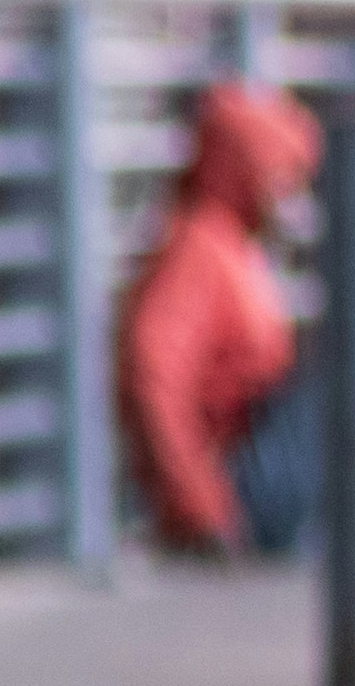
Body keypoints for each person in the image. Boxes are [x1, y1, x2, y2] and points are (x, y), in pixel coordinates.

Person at [117, 78, 324, 557]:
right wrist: (202, 507)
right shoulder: (200, 252)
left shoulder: (235, 247)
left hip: (251, 475)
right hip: (237, 487)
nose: (291, 194)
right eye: (283, 177)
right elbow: (152, 375)